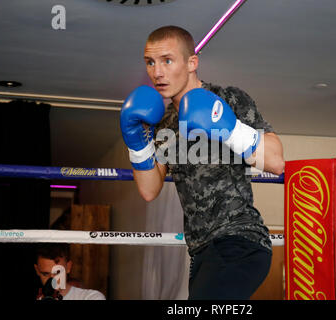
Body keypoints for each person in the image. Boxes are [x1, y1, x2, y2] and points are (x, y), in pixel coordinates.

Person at [120, 25, 285, 299]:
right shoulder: (163, 122)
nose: (157, 72)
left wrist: (230, 129)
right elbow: (149, 190)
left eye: (167, 60)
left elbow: (276, 161)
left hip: (240, 240)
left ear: (192, 62)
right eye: (150, 62)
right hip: (200, 251)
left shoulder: (228, 99)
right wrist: (136, 142)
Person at [34, 243, 105, 300]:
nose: (52, 281)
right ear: (37, 270)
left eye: (58, 273)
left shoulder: (90, 297)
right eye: (45, 274)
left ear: (68, 267)